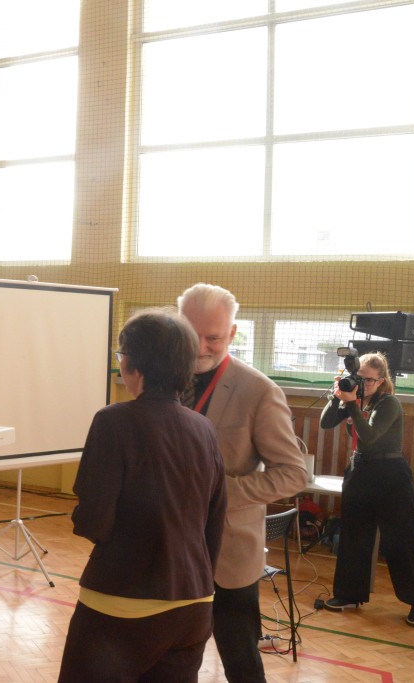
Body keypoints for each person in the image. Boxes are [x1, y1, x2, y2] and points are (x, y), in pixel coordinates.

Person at [58, 309, 227, 682]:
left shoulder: (113, 421)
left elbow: (94, 522)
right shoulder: (205, 429)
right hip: (195, 605)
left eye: (122, 356)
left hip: (124, 602)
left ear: (135, 363)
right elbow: (216, 521)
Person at [177, 283, 308, 683]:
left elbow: (294, 473)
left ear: (233, 334)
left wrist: (221, 493)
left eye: (213, 337)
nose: (200, 346)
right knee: (172, 659)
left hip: (229, 555)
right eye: (190, 333)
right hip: (170, 551)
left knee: (241, 661)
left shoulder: (258, 390)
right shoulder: (162, 381)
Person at [319, 352, 414, 626]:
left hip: (391, 477)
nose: (364, 383)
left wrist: (352, 404)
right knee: (354, 537)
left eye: (370, 380)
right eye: (360, 378)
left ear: (382, 381)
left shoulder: (389, 403)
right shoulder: (354, 398)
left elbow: (369, 438)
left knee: (400, 542)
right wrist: (338, 396)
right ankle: (348, 594)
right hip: (360, 473)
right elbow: (325, 423)